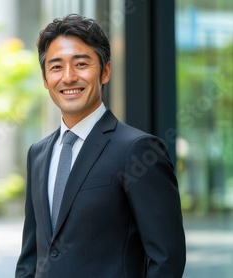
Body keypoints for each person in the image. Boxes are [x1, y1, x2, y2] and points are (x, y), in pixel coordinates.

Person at [15, 14, 186, 277]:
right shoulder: (38, 154)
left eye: (81, 63)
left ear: (105, 72)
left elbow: (167, 259)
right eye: (56, 67)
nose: (69, 77)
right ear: (45, 78)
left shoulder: (138, 150)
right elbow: (30, 256)